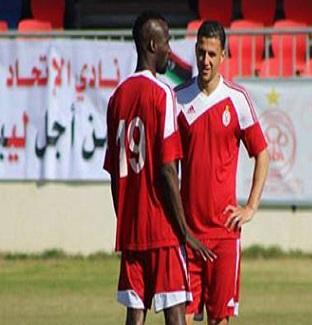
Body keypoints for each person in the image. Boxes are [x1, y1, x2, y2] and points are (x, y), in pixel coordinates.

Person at [103, 11, 215, 325]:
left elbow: (114, 172)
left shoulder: (116, 98)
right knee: (175, 312)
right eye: (166, 41)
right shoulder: (163, 94)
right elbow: (167, 169)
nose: (170, 49)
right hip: (162, 230)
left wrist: (124, 219)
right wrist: (184, 231)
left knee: (134, 316)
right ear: (153, 44)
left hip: (131, 230)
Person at [175, 21, 269, 325]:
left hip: (224, 234)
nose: (205, 60)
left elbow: (262, 154)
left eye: (212, 54)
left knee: (219, 320)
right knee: (181, 317)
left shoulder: (237, 99)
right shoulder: (177, 98)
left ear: (223, 56)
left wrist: (251, 206)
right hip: (187, 233)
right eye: (201, 53)